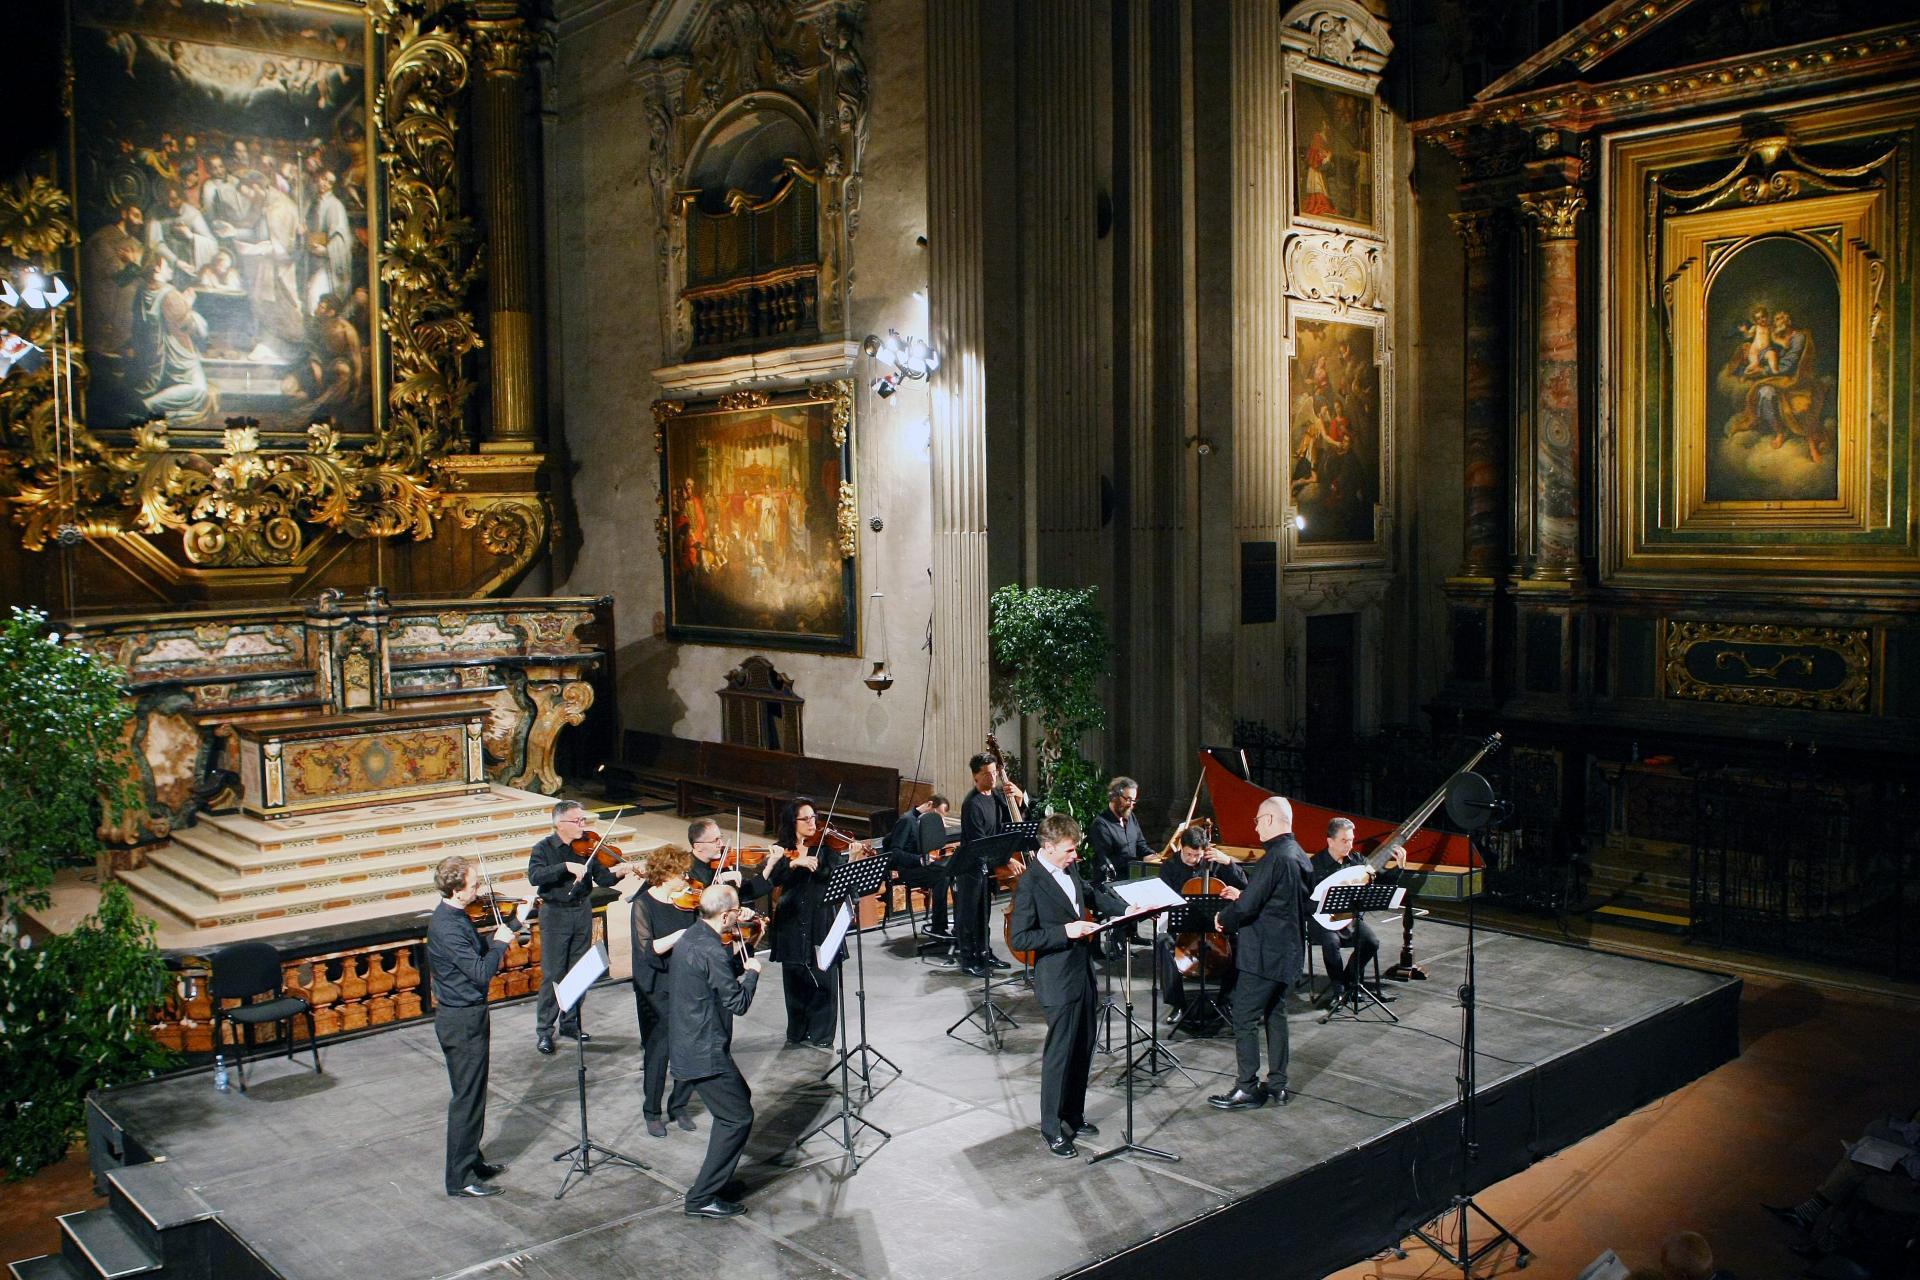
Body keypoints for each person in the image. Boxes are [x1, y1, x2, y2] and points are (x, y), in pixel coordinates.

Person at [1007, 813, 1135, 1158]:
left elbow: (1090, 894)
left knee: (1082, 1049)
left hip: (1083, 974)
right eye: (1068, 850)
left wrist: (1127, 907)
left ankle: (1073, 1116)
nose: (1075, 855)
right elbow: (1020, 937)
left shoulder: (1070, 869)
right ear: (1047, 847)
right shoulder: (1030, 884)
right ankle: (1052, 1127)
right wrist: (1065, 931)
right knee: (1060, 1056)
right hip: (1057, 981)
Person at [425, 855, 530, 1198]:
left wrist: (512, 925)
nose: (480, 890)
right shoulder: (447, 926)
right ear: (456, 890)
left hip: (468, 1015)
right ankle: (458, 1178)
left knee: (474, 1094)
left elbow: (476, 951)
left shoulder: (455, 916)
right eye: (474, 885)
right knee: (467, 1099)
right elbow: (482, 971)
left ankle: (472, 1160)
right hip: (461, 1019)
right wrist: (501, 941)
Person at [1210, 795, 1313, 1110]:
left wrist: (1223, 918)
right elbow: (1287, 901)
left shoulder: (1274, 858)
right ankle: (1279, 1085)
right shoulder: (1300, 855)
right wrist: (1249, 895)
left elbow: (1248, 906)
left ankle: (1247, 1088)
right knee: (1275, 1015)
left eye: (1257, 820)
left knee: (1243, 1015)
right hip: (1289, 952)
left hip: (1264, 954)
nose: (1255, 828)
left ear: (1269, 819)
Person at [670, 883, 762, 1218]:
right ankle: (701, 1197)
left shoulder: (695, 937)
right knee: (737, 1117)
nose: (740, 915)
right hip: (703, 1049)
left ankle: (717, 1182)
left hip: (692, 1042)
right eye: (737, 910)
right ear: (725, 915)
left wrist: (746, 944)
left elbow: (718, 973)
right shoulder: (710, 948)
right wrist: (752, 974)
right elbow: (737, 1003)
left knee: (740, 1098)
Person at [527, 800, 639, 1055]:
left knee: (577, 971)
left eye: (583, 820)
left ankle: (570, 1023)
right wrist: (565, 867)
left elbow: (604, 878)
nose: (583, 825)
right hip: (555, 913)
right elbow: (535, 877)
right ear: (559, 824)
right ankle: (545, 1030)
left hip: (581, 911)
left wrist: (622, 870)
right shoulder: (543, 848)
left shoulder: (587, 847)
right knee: (553, 973)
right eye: (577, 821)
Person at [628, 843, 720, 1138]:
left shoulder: (688, 901)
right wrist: (680, 936)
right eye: (681, 873)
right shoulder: (643, 904)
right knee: (661, 1047)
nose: (686, 877)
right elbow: (647, 950)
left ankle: (678, 1105)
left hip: (684, 978)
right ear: (666, 873)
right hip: (655, 983)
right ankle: (652, 1111)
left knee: (692, 1043)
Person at [767, 798, 866, 1048]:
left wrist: (853, 858)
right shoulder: (781, 849)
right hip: (790, 919)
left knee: (824, 977)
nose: (813, 823)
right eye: (806, 819)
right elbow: (773, 879)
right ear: (793, 822)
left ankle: (822, 1034)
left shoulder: (826, 849)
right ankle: (798, 1030)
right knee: (794, 975)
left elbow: (843, 880)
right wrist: (793, 862)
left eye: (814, 818)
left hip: (820, 918)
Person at [1156, 825, 1246, 1023]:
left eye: (1198, 855)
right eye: (1189, 855)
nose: (1194, 860)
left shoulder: (1212, 862)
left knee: (1240, 942)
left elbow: (1244, 886)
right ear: (1181, 847)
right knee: (1162, 942)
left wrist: (1229, 862)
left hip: (1215, 926)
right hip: (1183, 927)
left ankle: (1226, 1001)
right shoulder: (1169, 867)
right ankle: (1177, 1003)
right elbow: (1163, 901)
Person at [1308, 816, 1399, 1008]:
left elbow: (1379, 883)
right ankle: (1338, 989)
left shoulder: (1358, 860)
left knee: (1371, 942)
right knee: (1331, 942)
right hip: (1322, 921)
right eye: (1344, 840)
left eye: (1351, 840)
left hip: (1350, 918)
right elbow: (1304, 901)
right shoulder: (1314, 865)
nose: (1349, 845)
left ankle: (1351, 980)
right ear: (1330, 841)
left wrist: (1399, 868)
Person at [955, 751, 1026, 978]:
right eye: (987, 774)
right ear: (976, 776)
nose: (993, 778)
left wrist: (1019, 799)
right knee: (970, 915)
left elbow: (1013, 822)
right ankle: (968, 958)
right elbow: (981, 843)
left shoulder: (996, 797)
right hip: (970, 867)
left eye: (994, 772)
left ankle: (984, 953)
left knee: (983, 913)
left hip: (987, 866)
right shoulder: (972, 805)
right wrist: (1006, 859)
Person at [884, 795, 954, 943]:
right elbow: (895, 853)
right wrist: (920, 860)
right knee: (943, 876)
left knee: (955, 870)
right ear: (929, 804)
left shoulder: (925, 821)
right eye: (937, 814)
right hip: (907, 870)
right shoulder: (907, 821)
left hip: (922, 866)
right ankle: (938, 928)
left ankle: (961, 926)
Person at [686, 816, 781, 900]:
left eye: (720, 838)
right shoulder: (686, 871)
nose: (721, 844)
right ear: (698, 846)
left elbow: (745, 892)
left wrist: (770, 866)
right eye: (715, 841)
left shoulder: (720, 862)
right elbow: (703, 904)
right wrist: (719, 881)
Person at [1087, 776, 1154, 885]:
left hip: (1132, 878)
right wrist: (1138, 862)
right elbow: (1107, 861)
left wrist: (1153, 856)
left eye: (1134, 800)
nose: (1131, 805)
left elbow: (1141, 845)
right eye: (1128, 799)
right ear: (1114, 797)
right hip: (1113, 883)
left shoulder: (1131, 817)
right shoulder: (1100, 824)